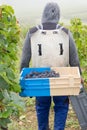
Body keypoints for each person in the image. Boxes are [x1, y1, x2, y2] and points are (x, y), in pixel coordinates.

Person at [20, 2, 82, 130]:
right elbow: (74, 60)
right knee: (61, 106)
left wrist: (22, 77)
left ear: (43, 14)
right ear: (58, 15)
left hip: (39, 80)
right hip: (62, 79)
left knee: (42, 106)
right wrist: (79, 76)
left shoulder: (32, 33)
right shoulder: (65, 33)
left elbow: (24, 60)